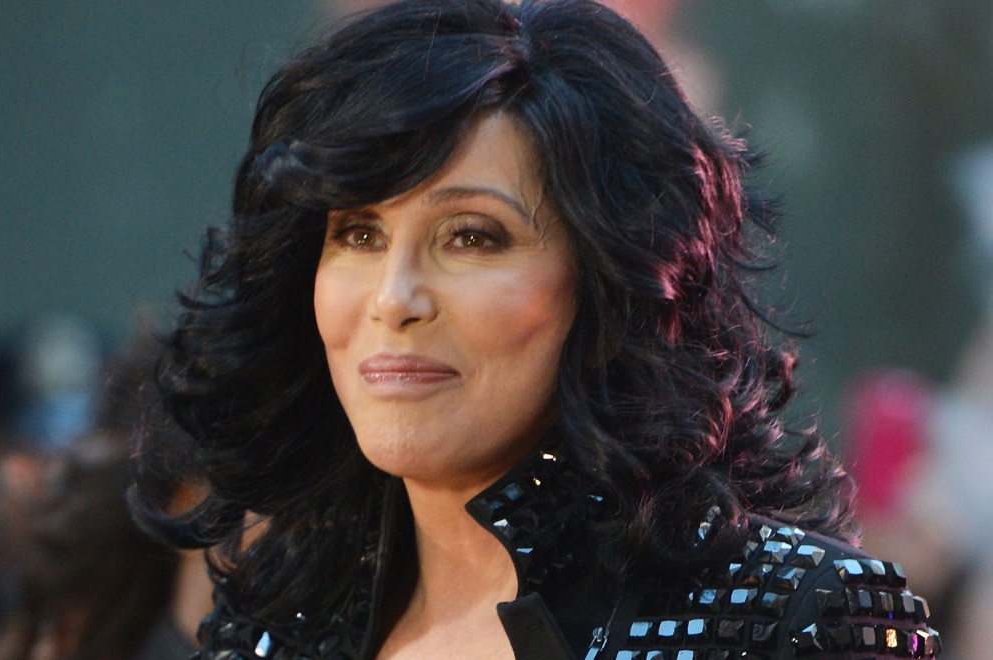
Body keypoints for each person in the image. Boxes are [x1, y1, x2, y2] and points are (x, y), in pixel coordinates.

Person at [130, 1, 942, 657]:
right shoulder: (271, 627)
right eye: (359, 234)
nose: (394, 298)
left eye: (471, 237)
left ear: (610, 284)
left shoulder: (795, 616)